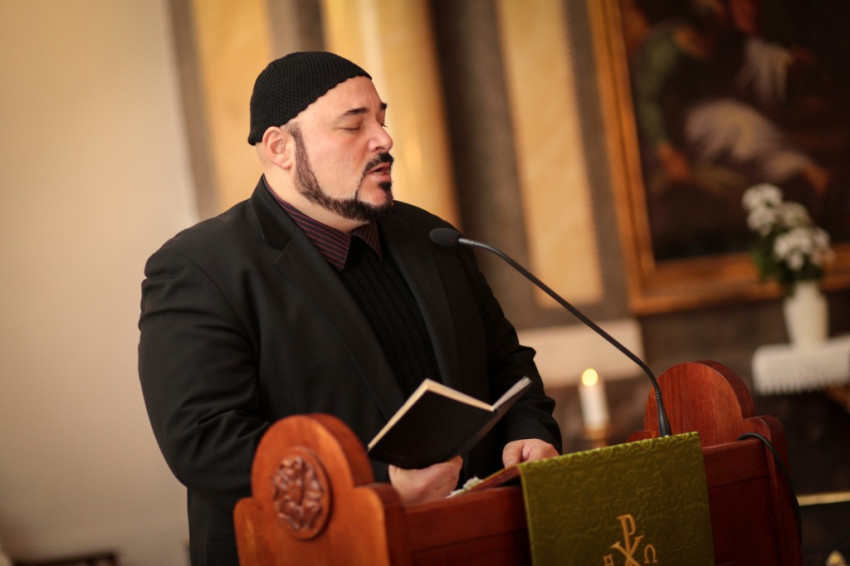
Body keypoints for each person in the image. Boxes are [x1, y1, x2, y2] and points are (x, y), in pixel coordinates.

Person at [138, 51, 561, 566]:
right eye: (353, 125)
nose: (384, 140)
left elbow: (507, 367)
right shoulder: (200, 268)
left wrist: (529, 434)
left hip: (471, 542)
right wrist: (378, 485)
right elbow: (205, 441)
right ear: (280, 148)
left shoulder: (430, 236)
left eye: (381, 119)